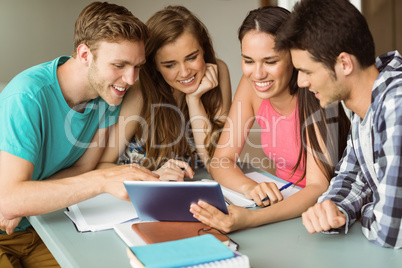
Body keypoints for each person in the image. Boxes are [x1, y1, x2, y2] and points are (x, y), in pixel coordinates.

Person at [0, 2, 160, 266]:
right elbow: (8, 199)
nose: (131, 79)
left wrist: (28, 202)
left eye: (137, 66)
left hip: (41, 226)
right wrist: (102, 180)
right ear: (85, 54)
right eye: (119, 65)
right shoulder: (26, 98)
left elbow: (83, 167)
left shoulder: (106, 96)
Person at [190, 6, 350, 233]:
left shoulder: (316, 92)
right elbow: (221, 160)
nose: (258, 74)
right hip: (284, 208)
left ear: (293, 58)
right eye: (248, 60)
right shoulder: (251, 86)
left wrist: (252, 219)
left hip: (326, 215)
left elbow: (317, 187)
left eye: (270, 61)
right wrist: (251, 188)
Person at [274, 0, 402, 249]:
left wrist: (363, 209)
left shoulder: (395, 105)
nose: (300, 82)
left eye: (307, 71)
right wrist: (332, 208)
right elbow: (353, 177)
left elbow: (391, 232)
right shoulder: (367, 102)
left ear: (344, 64)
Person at [97, 5, 232, 179]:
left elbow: (215, 164)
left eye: (191, 57)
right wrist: (153, 177)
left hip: (190, 195)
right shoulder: (140, 94)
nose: (184, 72)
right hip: (139, 197)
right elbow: (102, 166)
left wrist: (194, 99)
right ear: (154, 65)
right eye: (170, 65)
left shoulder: (218, 72)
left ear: (204, 50)